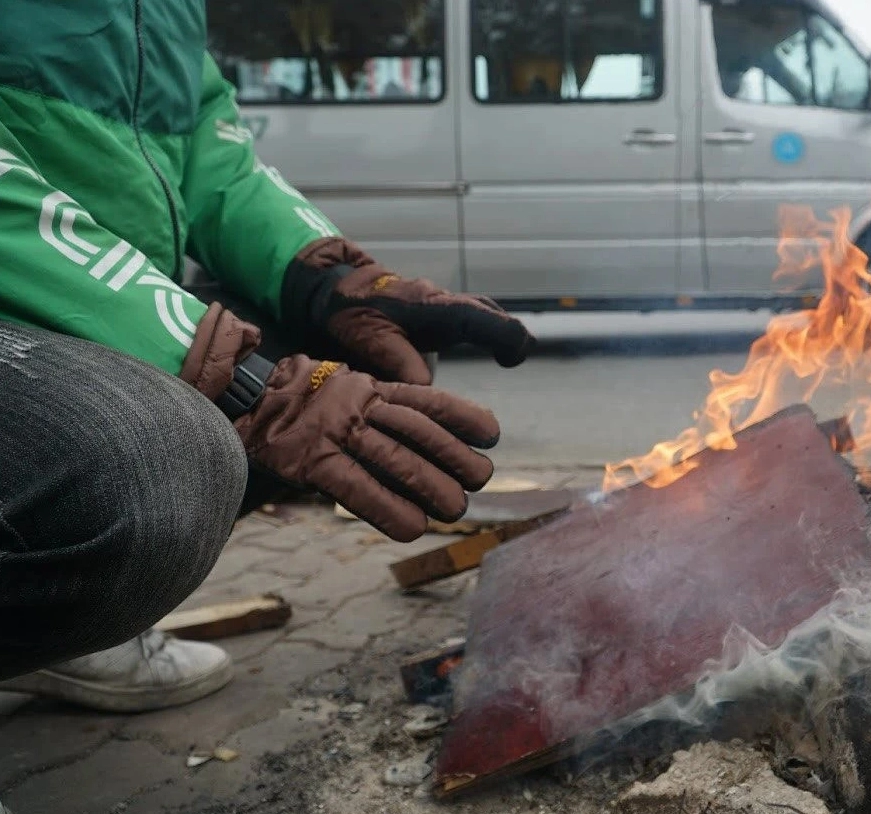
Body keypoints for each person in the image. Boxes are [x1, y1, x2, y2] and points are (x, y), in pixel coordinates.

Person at [0, 1, 535, 718]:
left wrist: (332, 281)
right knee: (155, 458)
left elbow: (215, 162)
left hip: (86, 301)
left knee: (322, 357)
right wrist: (234, 375)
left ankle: (63, 636)